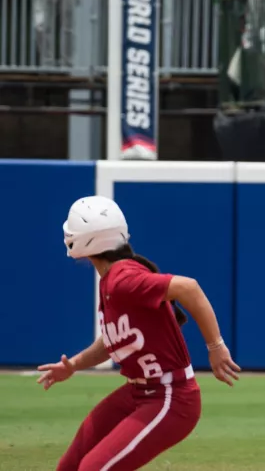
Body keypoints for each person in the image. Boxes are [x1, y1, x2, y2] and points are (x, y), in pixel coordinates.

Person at [38, 196, 240, 471]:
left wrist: (216, 346)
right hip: (139, 392)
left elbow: (189, 287)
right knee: (71, 465)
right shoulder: (113, 278)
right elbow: (116, 341)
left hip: (170, 397)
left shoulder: (122, 279)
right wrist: (73, 365)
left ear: (84, 239)